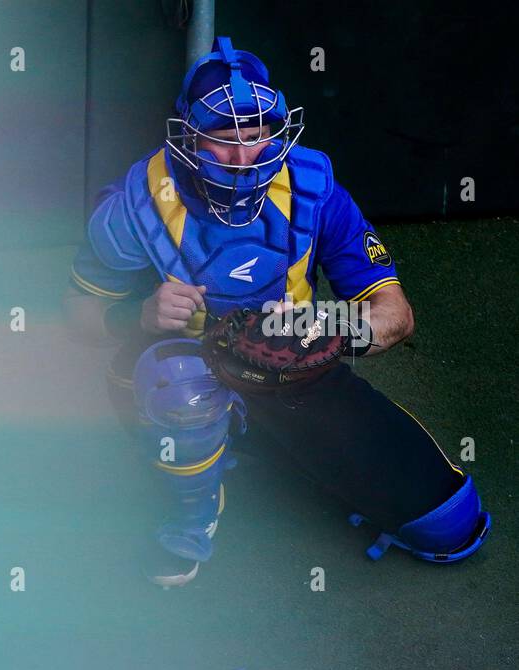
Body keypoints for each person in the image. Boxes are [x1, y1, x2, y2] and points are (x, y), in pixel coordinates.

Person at [61, 36, 490, 587]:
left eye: (258, 134)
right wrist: (139, 316)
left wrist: (330, 333)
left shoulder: (314, 189)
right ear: (189, 135)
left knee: (448, 524)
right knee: (178, 382)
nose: (245, 157)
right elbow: (76, 315)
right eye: (222, 139)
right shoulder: (134, 205)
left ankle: (247, 434)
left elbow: (395, 314)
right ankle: (191, 517)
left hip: (287, 362)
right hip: (180, 363)